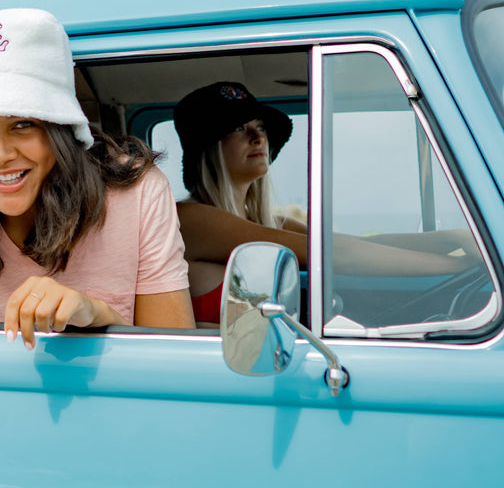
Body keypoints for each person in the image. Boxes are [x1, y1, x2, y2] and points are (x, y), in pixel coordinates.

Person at [0, 8, 195, 375]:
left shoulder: (137, 192)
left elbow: (173, 360)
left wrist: (92, 313)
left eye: (23, 124)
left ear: (61, 127)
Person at [173, 81, 479, 325]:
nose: (258, 137)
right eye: (239, 128)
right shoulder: (190, 219)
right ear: (207, 148)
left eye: (261, 127)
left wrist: (450, 238)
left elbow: (349, 244)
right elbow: (337, 256)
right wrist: (460, 266)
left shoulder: (265, 223)